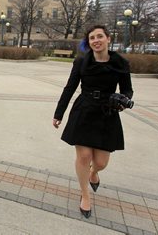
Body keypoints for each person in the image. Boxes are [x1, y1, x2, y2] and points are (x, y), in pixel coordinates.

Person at [52, 25, 133, 219]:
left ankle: (94, 172)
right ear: (88, 43)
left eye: (99, 36)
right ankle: (85, 195)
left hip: (107, 113)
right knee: (84, 156)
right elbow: (69, 88)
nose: (96, 40)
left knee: (101, 162)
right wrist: (59, 113)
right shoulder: (81, 62)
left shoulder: (120, 63)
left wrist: (123, 100)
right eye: (91, 38)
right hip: (85, 110)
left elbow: (127, 90)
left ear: (108, 39)